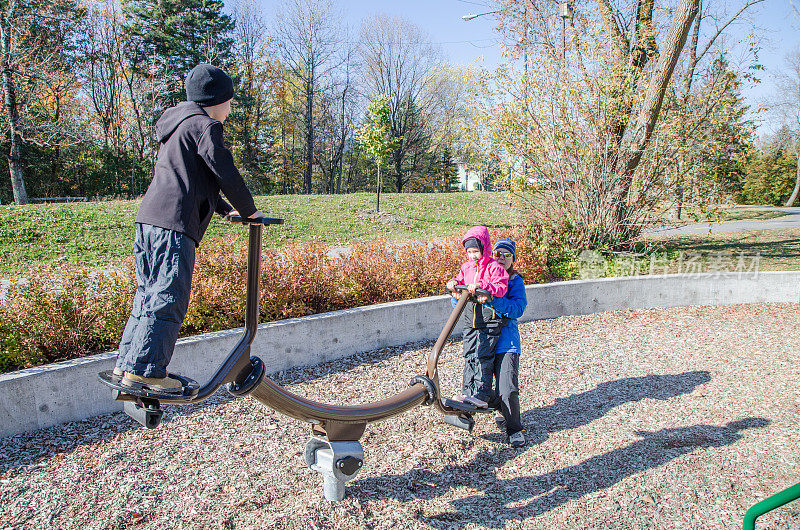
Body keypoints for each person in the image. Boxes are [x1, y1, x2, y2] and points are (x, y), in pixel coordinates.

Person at [113, 63, 265, 392]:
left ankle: (127, 365)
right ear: (217, 99)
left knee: (148, 295)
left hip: (150, 221)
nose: (229, 109)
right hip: (174, 226)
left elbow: (193, 179)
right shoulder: (205, 126)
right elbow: (223, 171)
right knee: (169, 296)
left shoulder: (178, 125)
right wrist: (249, 211)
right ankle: (147, 371)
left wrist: (225, 211)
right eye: (229, 102)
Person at [446, 226, 509, 408]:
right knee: (469, 355)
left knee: (483, 356)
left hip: (488, 321)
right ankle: (468, 393)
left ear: (484, 249)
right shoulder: (466, 267)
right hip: (470, 320)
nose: (473, 255)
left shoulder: (494, 267)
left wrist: (484, 288)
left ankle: (481, 395)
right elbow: (460, 279)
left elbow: (501, 287)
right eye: (470, 252)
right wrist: (455, 284)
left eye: (476, 251)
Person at [487, 238, 528, 447]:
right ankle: (503, 408)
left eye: (507, 255)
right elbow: (459, 302)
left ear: (513, 259)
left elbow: (517, 309)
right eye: (497, 254)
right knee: (480, 387)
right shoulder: (483, 277)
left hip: (506, 342)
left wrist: (494, 299)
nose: (501, 258)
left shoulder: (514, 282)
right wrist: (456, 291)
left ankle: (514, 429)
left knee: (508, 389)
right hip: (483, 340)